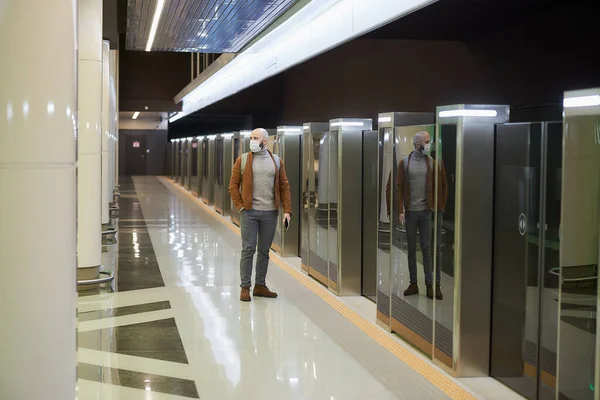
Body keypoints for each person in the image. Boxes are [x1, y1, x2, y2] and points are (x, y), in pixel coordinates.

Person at [228, 128, 292, 302]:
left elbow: (284, 187)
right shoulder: (242, 160)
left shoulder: (277, 161)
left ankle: (260, 285)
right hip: (250, 213)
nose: (252, 141)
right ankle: (245, 287)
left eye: (256, 138)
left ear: (265, 141)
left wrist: (287, 210)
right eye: (251, 138)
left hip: (270, 213)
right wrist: (241, 206)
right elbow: (233, 186)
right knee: (248, 250)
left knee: (264, 251)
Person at [394, 131, 448, 300]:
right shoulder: (404, 164)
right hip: (411, 213)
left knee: (427, 249)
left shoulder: (433, 163)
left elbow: (443, 187)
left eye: (429, 141)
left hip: (426, 213)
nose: (429, 144)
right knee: (411, 249)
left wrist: (438, 207)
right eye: (426, 141)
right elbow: (399, 188)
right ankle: (413, 283)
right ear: (418, 144)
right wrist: (400, 210)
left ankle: (430, 284)